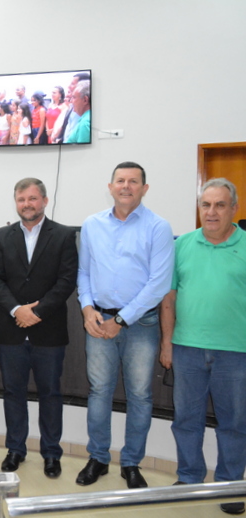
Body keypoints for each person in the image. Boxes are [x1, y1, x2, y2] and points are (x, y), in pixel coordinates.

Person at [76, 162, 174, 489]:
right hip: (99, 321)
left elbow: (158, 284)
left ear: (144, 189)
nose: (126, 186)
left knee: (140, 395)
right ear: (110, 187)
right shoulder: (92, 225)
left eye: (134, 181)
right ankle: (98, 458)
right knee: (99, 392)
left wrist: (121, 320)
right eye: (120, 180)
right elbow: (84, 273)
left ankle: (131, 462)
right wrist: (87, 308)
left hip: (141, 324)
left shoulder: (158, 227)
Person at [160, 178, 246, 515]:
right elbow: (169, 299)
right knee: (186, 419)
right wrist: (167, 343)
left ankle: (230, 485)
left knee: (234, 423)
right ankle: (189, 478)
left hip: (236, 352)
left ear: (234, 209)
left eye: (220, 205)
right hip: (187, 349)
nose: (211, 212)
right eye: (206, 205)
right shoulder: (182, 244)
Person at [0, 179, 78, 478]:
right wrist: (17, 310)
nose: (27, 204)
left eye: (33, 198)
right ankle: (15, 449)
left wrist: (36, 312)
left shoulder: (63, 235)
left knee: (50, 393)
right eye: (21, 199)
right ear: (16, 202)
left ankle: (51, 453)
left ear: (45, 201)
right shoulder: (2, 235)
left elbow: (67, 280)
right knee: (13, 392)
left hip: (48, 330)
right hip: (12, 329)